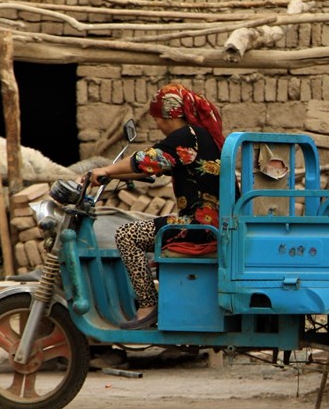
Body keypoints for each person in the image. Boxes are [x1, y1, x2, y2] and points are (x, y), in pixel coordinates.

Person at [86, 84, 225, 329]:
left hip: (200, 227)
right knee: (147, 230)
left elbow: (145, 160)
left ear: (170, 115)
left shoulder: (186, 136)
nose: (157, 124)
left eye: (158, 118)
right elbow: (152, 168)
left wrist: (107, 169)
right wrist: (111, 176)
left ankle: (148, 305)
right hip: (209, 222)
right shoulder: (200, 137)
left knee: (127, 235)